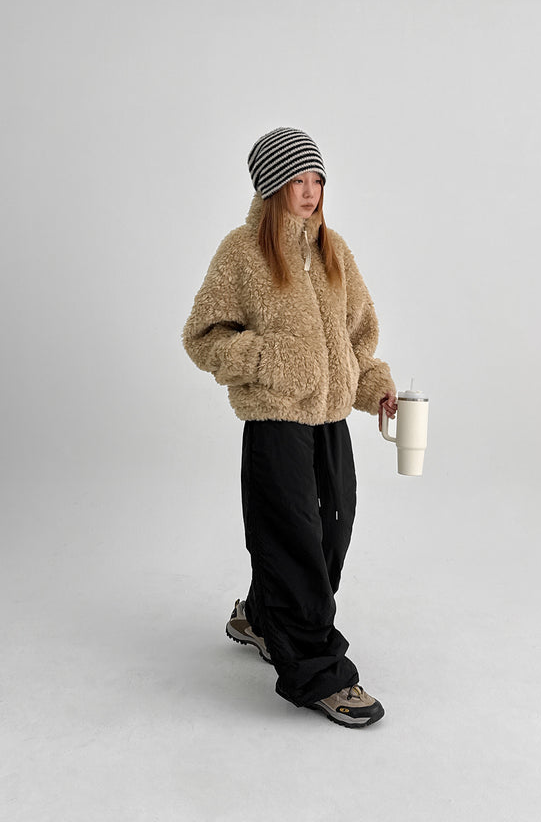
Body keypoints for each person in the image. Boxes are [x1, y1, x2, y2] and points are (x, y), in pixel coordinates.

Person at [182, 127, 397, 728]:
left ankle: (260, 617)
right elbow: (203, 337)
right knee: (294, 542)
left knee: (332, 534)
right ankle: (319, 672)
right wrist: (273, 360)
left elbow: (357, 338)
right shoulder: (242, 252)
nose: (309, 192)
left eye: (317, 180)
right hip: (275, 420)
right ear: (271, 187)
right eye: (296, 180)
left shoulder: (334, 251)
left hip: (329, 419)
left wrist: (375, 387)